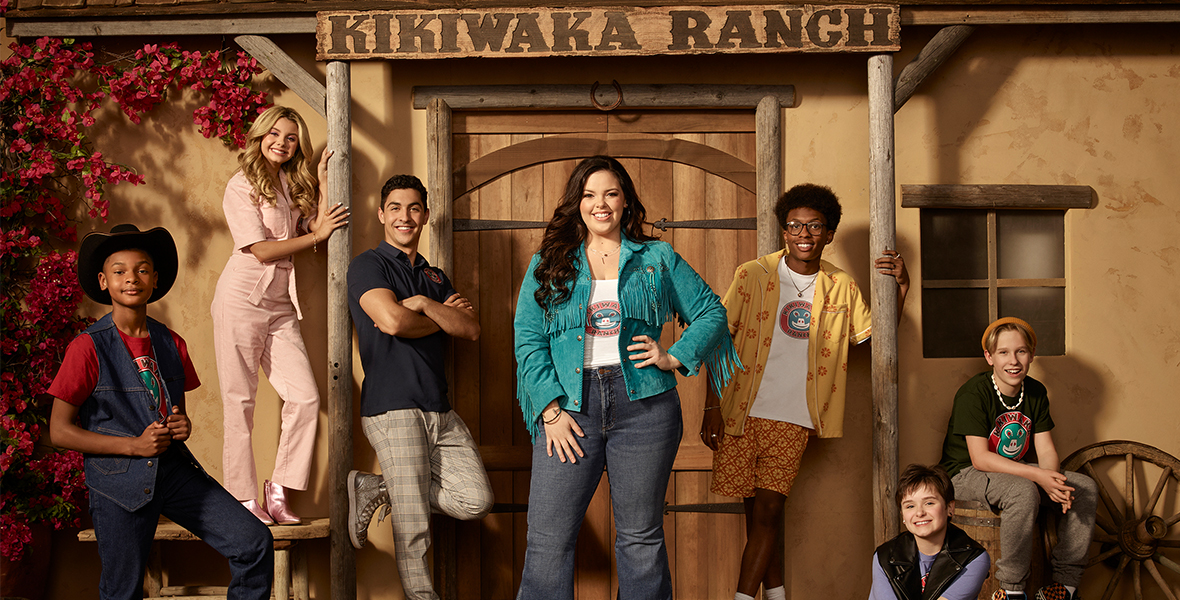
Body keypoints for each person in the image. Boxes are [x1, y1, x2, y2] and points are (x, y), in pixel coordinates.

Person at [513, 155, 741, 600]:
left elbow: (712, 312)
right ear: (577, 203)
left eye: (611, 194)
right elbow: (528, 338)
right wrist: (550, 409)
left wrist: (674, 356)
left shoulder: (656, 256)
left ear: (625, 201)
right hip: (569, 412)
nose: (601, 204)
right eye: (590, 195)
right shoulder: (550, 261)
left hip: (645, 410)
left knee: (640, 539)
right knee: (548, 539)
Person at [700, 183, 910, 600]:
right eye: (795, 225)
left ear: (829, 233)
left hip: (794, 413)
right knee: (755, 515)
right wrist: (711, 407)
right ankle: (776, 594)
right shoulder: (752, 274)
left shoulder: (842, 286)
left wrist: (901, 288)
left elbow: (872, 341)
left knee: (770, 510)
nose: (804, 234)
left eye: (815, 226)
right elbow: (715, 338)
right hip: (741, 407)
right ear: (783, 230)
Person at [48, 224, 274, 600]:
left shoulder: (171, 342)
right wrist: (134, 447)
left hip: (172, 472)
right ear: (104, 281)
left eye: (141, 269)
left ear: (154, 278)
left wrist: (181, 426)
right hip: (117, 481)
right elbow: (59, 431)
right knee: (122, 590)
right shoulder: (87, 348)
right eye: (119, 271)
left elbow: (174, 413)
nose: (131, 279)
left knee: (253, 542)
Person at [345, 174, 494, 600]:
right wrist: (437, 319)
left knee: (476, 500)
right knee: (413, 529)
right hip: (393, 407)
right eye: (395, 207)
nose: (404, 216)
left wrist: (426, 304)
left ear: (425, 215)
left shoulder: (434, 278)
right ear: (381, 214)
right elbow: (391, 321)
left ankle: (378, 486)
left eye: (413, 208)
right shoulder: (368, 265)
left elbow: (469, 329)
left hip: (439, 408)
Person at [210, 105, 349, 524]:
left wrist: (322, 183)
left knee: (305, 397)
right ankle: (243, 498)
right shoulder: (241, 186)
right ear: (259, 136)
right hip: (241, 299)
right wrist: (315, 236)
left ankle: (278, 490)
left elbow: (317, 226)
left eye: (291, 138)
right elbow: (260, 249)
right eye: (274, 134)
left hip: (280, 305)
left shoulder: (290, 184)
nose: (281, 143)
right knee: (240, 403)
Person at [939, 317, 1097, 600]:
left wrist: (1052, 480)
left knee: (1084, 488)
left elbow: (1046, 449)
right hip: (964, 474)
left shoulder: (1035, 392)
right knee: (1022, 491)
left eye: (1021, 351)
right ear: (989, 357)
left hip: (1015, 470)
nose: (1013, 360)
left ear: (1032, 355)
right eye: (1003, 352)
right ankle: (1011, 590)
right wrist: (1038, 478)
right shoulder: (973, 393)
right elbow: (980, 459)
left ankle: (1065, 587)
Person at [869, 464, 990, 600]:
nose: (919, 512)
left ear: (950, 507)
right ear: (903, 515)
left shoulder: (973, 558)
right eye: (910, 506)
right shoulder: (884, 557)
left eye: (929, 503)